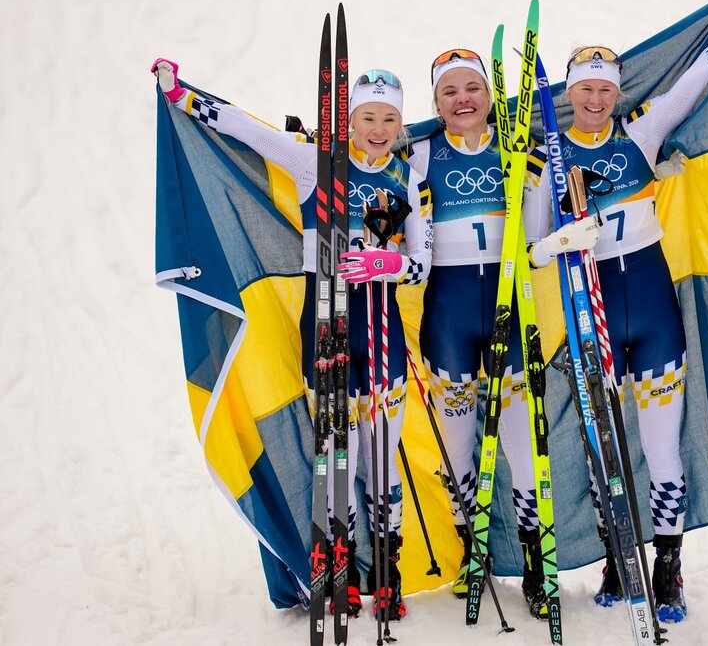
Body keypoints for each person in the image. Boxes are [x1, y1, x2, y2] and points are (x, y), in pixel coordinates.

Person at [152, 60, 432, 621]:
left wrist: (388, 263)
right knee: (336, 455)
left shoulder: (408, 178)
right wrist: (182, 96)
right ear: (349, 120)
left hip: (381, 333)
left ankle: (388, 570)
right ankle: (339, 567)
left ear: (400, 124)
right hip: (326, 323)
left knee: (381, 461)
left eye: (389, 119)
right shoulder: (315, 163)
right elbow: (248, 131)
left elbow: (422, 264)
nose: (378, 129)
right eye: (368, 117)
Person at [522, 0, 708, 623]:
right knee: (605, 448)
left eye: (605, 89)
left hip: (653, 309)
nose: (596, 100)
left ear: (616, 92)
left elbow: (692, 83)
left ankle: (668, 567)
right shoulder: (550, 158)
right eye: (585, 89)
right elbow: (530, 250)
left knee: (661, 449)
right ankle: (616, 557)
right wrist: (560, 240)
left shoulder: (641, 132)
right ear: (569, 93)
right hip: (591, 311)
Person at [404, 48, 547, 618]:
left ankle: (537, 562)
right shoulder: (417, 154)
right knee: (457, 446)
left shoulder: (519, 150)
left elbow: (535, 241)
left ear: (490, 96)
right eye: (449, 92)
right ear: (436, 104)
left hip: (510, 311)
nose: (462, 99)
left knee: (522, 444)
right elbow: (361, 157)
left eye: (472, 88)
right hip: (449, 318)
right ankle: (473, 551)